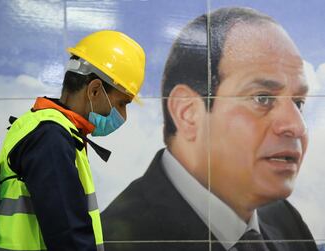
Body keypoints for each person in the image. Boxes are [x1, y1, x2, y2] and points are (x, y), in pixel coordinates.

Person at [101, 7, 319, 251]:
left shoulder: (283, 217)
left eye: (298, 103)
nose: (296, 126)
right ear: (188, 114)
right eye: (262, 98)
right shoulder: (120, 239)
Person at [0, 30, 145, 251]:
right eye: (122, 103)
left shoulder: (49, 129)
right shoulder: (50, 136)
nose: (123, 115)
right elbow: (69, 236)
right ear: (94, 91)